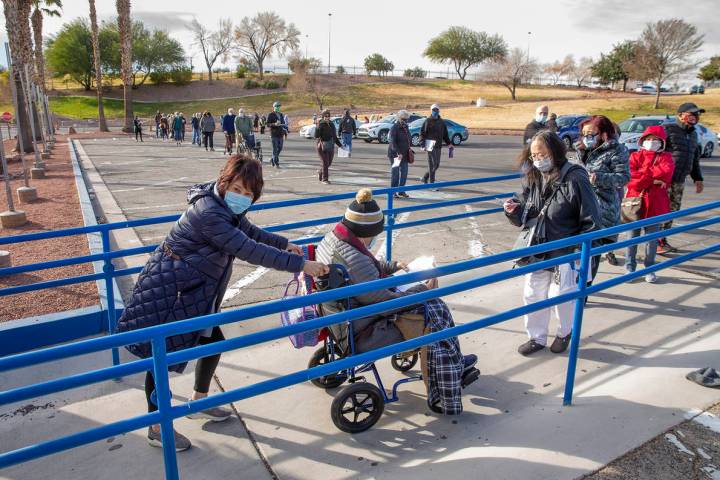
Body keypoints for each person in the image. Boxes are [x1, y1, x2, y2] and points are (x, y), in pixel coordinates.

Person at [117, 153, 329, 451]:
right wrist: (301, 265)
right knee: (161, 360)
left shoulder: (223, 205)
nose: (242, 197)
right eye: (238, 189)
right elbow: (247, 249)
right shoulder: (208, 213)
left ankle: (199, 401)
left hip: (194, 292)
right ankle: (157, 428)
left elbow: (249, 232)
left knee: (213, 343)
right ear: (224, 181)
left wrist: (283, 243)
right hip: (172, 293)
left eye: (249, 194)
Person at [315, 188, 478, 414]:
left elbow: (365, 270)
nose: (374, 240)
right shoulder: (353, 257)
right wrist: (421, 289)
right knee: (435, 310)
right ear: (365, 233)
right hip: (365, 331)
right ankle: (446, 384)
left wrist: (393, 266)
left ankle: (455, 362)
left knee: (431, 304)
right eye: (374, 235)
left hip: (343, 321)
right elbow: (385, 302)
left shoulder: (335, 239)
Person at [504, 131, 602, 356]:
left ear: (556, 152)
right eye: (534, 155)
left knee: (561, 297)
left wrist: (581, 251)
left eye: (542, 154)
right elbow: (525, 204)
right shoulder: (534, 175)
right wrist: (513, 209)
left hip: (566, 249)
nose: (538, 160)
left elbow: (592, 219)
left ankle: (564, 332)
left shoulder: (576, 178)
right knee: (533, 294)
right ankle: (536, 337)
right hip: (538, 246)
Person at [577, 116, 630, 280]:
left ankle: (582, 294)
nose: (587, 137)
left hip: (600, 209)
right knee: (575, 255)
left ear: (604, 133)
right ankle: (571, 290)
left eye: (592, 133)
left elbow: (623, 177)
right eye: (584, 133)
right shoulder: (580, 149)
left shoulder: (616, 150)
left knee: (590, 257)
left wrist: (598, 178)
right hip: (577, 208)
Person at [624, 126, 675, 283]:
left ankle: (649, 269)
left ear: (662, 142)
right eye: (648, 139)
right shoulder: (634, 156)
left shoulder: (666, 157)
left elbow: (666, 173)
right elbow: (631, 178)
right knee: (631, 237)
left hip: (655, 203)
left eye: (655, 140)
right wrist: (653, 180)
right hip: (635, 202)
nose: (651, 142)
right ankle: (629, 267)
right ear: (642, 141)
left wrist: (643, 175)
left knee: (651, 240)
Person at [659, 102, 705, 254]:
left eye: (696, 115)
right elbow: (655, 153)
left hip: (679, 180)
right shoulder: (668, 130)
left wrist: (697, 178)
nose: (694, 117)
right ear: (680, 115)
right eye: (691, 114)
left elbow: (694, 158)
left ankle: (662, 238)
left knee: (673, 210)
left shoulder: (693, 134)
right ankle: (656, 240)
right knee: (660, 210)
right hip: (663, 180)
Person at [420, 104, 451, 188]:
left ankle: (425, 177)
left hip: (438, 145)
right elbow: (422, 133)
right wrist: (422, 144)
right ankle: (432, 183)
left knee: (436, 165)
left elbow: (445, 135)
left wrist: (449, 144)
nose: (435, 111)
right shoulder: (427, 121)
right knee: (432, 164)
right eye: (433, 110)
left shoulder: (441, 122)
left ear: (439, 111)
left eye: (436, 110)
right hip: (430, 144)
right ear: (431, 111)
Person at [388, 110, 413, 199]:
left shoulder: (406, 127)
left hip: (405, 154)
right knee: (395, 173)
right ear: (399, 118)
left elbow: (408, 139)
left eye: (406, 119)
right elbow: (392, 142)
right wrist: (398, 152)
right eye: (404, 119)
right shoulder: (394, 127)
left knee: (404, 173)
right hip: (395, 155)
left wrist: (409, 147)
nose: (405, 121)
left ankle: (401, 191)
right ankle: (393, 191)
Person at [314, 109, 343, 184]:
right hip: (322, 146)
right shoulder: (321, 124)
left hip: (330, 146)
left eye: (328, 116)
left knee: (328, 163)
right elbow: (316, 136)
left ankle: (321, 171)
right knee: (325, 162)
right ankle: (325, 179)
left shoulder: (332, 124)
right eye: (325, 116)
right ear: (323, 116)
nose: (327, 117)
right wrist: (317, 127)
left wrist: (340, 145)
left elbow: (334, 137)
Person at [267, 101, 285, 168]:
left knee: (280, 148)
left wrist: (282, 124)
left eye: (279, 106)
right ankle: (276, 163)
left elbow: (283, 122)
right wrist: (274, 124)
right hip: (274, 134)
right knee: (275, 149)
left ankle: (272, 159)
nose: (278, 107)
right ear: (274, 107)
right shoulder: (271, 114)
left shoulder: (281, 114)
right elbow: (268, 124)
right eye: (277, 106)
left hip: (280, 134)